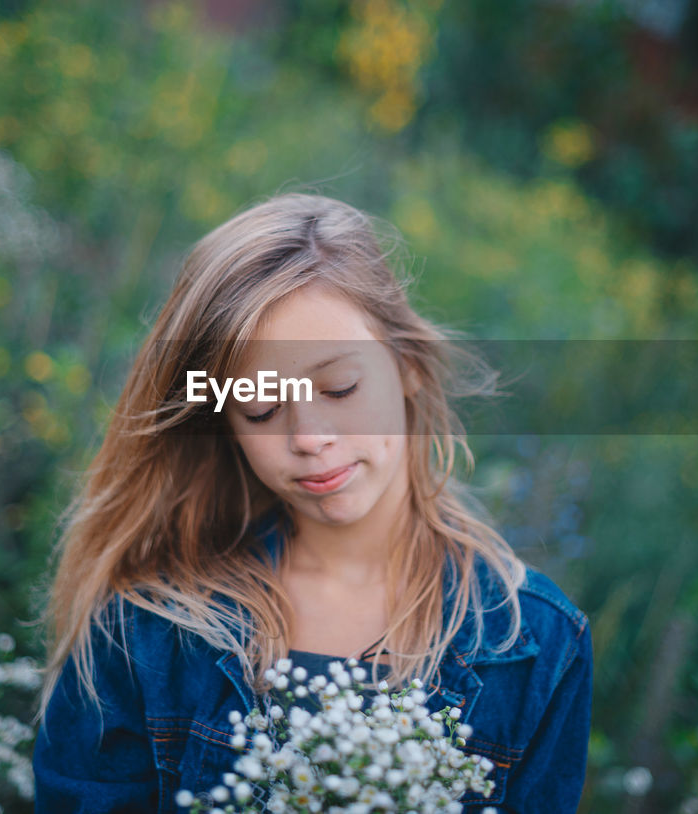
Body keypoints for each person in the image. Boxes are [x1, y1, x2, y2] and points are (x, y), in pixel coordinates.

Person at [31, 191, 592, 813]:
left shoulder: (538, 644)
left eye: (340, 387)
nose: (309, 439)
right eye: (261, 408)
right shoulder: (148, 627)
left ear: (406, 364)